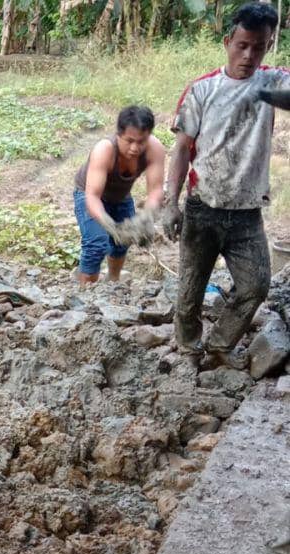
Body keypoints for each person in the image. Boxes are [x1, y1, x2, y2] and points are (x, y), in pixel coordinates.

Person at [163, 1, 285, 371]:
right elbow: (182, 148)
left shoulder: (270, 83)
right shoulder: (202, 90)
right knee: (189, 293)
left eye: (259, 47)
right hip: (203, 208)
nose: (249, 55)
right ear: (228, 40)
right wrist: (171, 202)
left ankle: (218, 346)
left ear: (269, 45)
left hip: (247, 214)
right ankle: (187, 349)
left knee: (255, 286)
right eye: (243, 45)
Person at [73, 105, 166, 284]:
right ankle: (85, 292)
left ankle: (113, 281)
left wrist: (148, 215)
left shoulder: (155, 149)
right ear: (118, 134)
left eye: (141, 141)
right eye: (129, 140)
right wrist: (108, 224)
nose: (135, 148)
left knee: (123, 241)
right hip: (89, 193)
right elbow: (92, 196)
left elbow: (155, 189)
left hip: (120, 196)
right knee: (96, 244)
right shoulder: (104, 150)